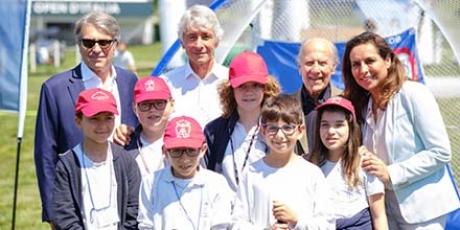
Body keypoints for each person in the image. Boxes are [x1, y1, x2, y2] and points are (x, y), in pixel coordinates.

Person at [342, 31, 460, 229]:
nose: (363, 69)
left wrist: (391, 173)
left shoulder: (414, 94)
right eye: (356, 64)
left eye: (370, 61)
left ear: (388, 60)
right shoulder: (362, 105)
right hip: (384, 213)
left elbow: (440, 152)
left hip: (424, 213)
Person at [34, 12, 138, 226]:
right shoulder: (55, 89)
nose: (96, 49)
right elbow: (45, 152)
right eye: (89, 42)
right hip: (75, 194)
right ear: (79, 44)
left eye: (104, 42)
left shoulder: (129, 81)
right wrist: (53, 212)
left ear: (116, 44)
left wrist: (132, 130)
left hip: (123, 192)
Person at [231, 94, 334, 229]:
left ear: (300, 131)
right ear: (263, 131)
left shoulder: (312, 174)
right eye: (273, 128)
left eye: (287, 128)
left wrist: (297, 221)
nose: (280, 136)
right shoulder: (251, 173)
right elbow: (238, 222)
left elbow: (327, 225)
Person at [52, 88, 141, 230]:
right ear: (78, 121)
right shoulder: (68, 165)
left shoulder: (126, 161)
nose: (103, 125)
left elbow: (134, 210)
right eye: (94, 118)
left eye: (109, 118)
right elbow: (64, 216)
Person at [203, 50, 281, 193]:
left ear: (266, 88)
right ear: (231, 90)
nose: (249, 92)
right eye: (242, 86)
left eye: (256, 85)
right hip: (225, 211)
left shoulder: (279, 129)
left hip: (266, 209)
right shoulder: (214, 131)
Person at [137, 116, 233, 230]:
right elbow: (146, 225)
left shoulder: (217, 183)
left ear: (203, 150)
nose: (184, 158)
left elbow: (220, 225)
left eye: (191, 150)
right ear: (165, 152)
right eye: (177, 151)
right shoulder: (151, 183)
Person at [310, 96, 388, 230]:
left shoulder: (366, 163)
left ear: (351, 127)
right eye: (325, 125)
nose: (331, 131)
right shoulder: (311, 165)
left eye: (339, 125)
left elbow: (379, 216)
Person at [160, 4, 227, 127]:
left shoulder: (231, 81)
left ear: (217, 41)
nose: (199, 45)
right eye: (192, 37)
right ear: (182, 43)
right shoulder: (166, 83)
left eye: (206, 37)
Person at [294, 37, 342, 155]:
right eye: (309, 63)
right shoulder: (285, 106)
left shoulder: (348, 102)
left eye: (322, 63)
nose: (315, 70)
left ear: (333, 67)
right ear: (300, 67)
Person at [124, 76, 175, 177]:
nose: (152, 109)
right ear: (135, 108)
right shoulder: (125, 147)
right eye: (145, 104)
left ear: (172, 104)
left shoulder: (185, 141)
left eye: (159, 103)